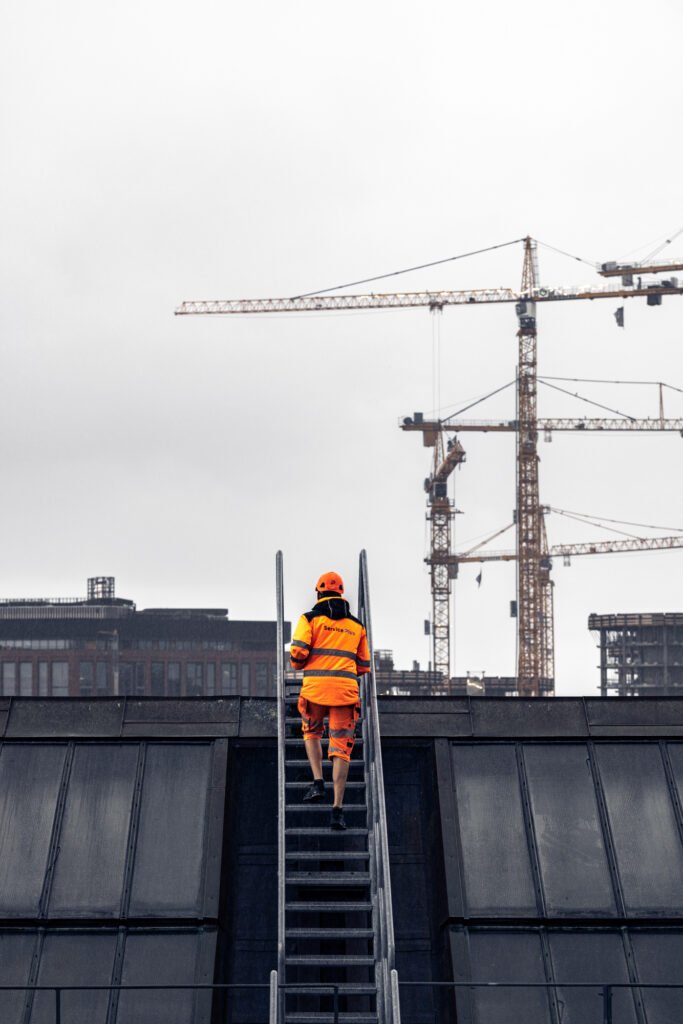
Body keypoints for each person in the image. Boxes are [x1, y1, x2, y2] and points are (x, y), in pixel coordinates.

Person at [290, 571, 371, 830]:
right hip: (345, 694)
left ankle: (317, 782)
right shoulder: (357, 626)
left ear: (319, 593)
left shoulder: (309, 619)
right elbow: (363, 665)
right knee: (341, 749)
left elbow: (298, 654)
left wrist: (302, 662)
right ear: (341, 593)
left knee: (312, 732)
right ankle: (337, 810)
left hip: (315, 691)